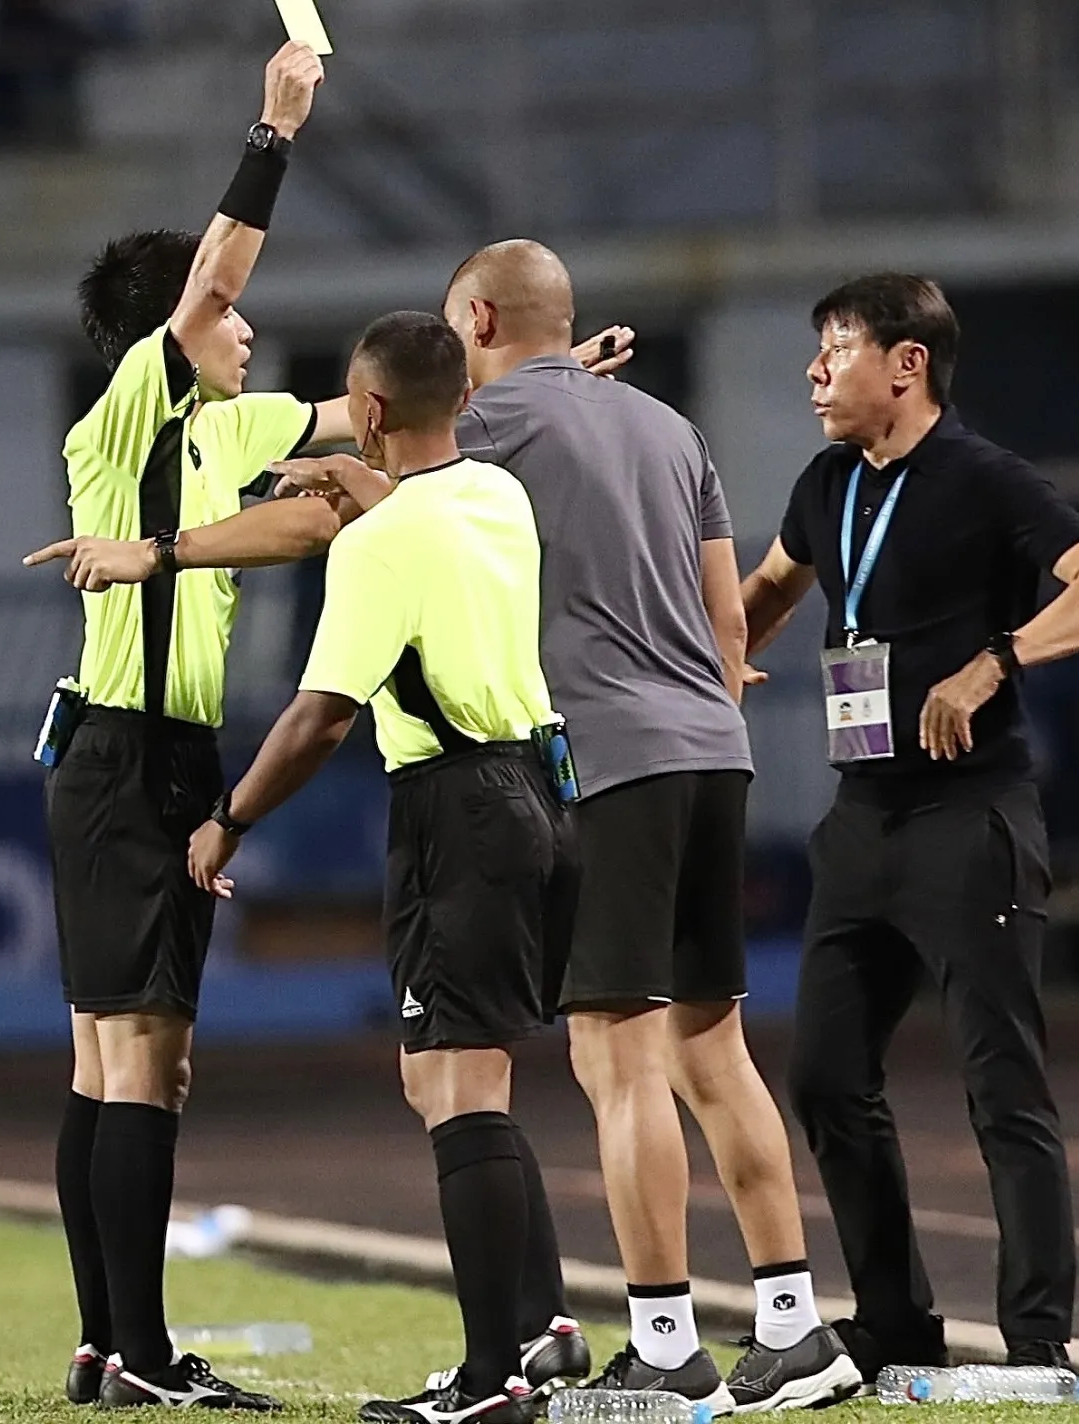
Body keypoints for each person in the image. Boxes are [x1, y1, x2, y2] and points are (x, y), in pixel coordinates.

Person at [440, 240, 858, 1412]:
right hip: (710, 750)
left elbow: (391, 468)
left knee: (615, 1062)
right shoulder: (672, 428)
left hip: (607, 760)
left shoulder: (486, 428)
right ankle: (792, 1324)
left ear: (476, 318)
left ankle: (667, 1344)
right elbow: (733, 624)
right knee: (712, 1050)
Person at [739, 274, 1079, 1380]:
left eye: (837, 348)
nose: (816, 372)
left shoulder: (985, 477)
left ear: (905, 364)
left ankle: (1036, 1342)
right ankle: (893, 1320)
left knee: (1000, 1082)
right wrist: (717, 654)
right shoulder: (829, 481)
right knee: (824, 1075)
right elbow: (772, 586)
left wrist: (995, 659)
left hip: (970, 816)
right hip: (863, 816)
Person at [183, 311, 578, 1424]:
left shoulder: (377, 545)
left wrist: (230, 818)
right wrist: (358, 474)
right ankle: (541, 1328)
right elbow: (416, 501)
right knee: (452, 1077)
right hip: (539, 794)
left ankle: (493, 1375)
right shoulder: (497, 494)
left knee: (461, 1086)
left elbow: (318, 718)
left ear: (367, 410)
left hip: (456, 810)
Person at [23, 41, 343, 1412]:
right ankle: (145, 1356)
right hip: (123, 755)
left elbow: (385, 417)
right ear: (173, 331)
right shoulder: (125, 418)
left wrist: (545, 376)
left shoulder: (235, 419)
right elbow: (217, 278)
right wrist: (271, 131)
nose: (250, 329)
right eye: (227, 319)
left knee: (115, 1053)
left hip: (152, 759)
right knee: (137, 1051)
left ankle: (107, 1348)